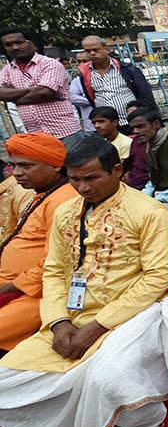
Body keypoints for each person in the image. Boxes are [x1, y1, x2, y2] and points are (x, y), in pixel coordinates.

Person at [0, 136, 168, 427]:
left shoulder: (148, 212)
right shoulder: (67, 213)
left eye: (91, 178)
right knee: (7, 381)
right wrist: (58, 322)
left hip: (142, 311)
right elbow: (53, 272)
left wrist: (96, 326)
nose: (82, 187)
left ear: (118, 170)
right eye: (74, 179)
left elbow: (157, 281)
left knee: (107, 375)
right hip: (73, 315)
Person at [0, 133, 77, 352]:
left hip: (38, 293)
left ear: (55, 166)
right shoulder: (45, 193)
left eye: (26, 166)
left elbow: (57, 262)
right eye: (13, 166)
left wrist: (10, 287)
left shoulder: (63, 199)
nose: (16, 174)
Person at [0, 27, 80, 140]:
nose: (15, 47)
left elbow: (43, 92)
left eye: (19, 42)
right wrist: (32, 90)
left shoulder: (50, 64)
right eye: (8, 45)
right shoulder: (7, 70)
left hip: (66, 133)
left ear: (31, 43)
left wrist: (13, 97)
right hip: (35, 137)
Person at [77, 36, 154, 131]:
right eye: (88, 51)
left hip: (132, 123)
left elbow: (145, 95)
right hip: (108, 127)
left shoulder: (127, 69)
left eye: (95, 50)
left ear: (106, 49)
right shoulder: (86, 74)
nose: (92, 53)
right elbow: (91, 98)